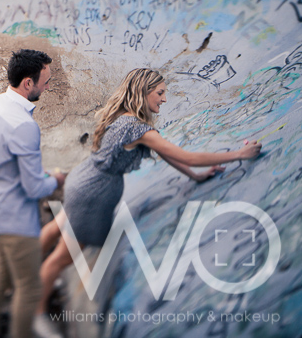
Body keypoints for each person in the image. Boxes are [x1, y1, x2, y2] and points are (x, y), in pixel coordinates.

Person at [36, 68, 262, 315]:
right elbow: (187, 156)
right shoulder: (137, 128)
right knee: (61, 258)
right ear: (143, 92)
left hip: (83, 180)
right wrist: (239, 154)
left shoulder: (122, 114)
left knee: (57, 226)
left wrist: (194, 176)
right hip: (94, 194)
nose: (164, 99)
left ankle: (22, 269)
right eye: (160, 93)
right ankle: (33, 313)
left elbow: (168, 155)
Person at [0, 49, 66, 338]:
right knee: (29, 288)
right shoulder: (26, 126)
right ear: (28, 83)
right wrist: (55, 180)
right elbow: (33, 188)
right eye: (45, 81)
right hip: (17, 218)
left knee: (1, 272)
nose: (48, 86)